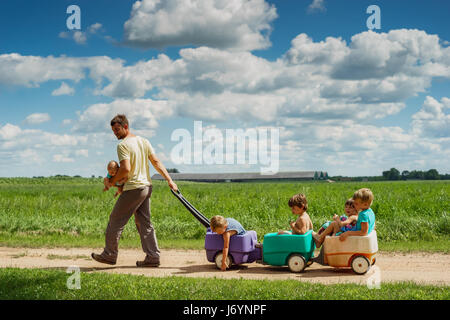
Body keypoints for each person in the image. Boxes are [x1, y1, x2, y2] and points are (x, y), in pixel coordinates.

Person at [91, 114, 178, 267]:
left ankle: (109, 254)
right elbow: (156, 162)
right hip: (146, 187)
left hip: (134, 188)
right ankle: (153, 257)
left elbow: (125, 169)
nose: (115, 133)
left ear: (126, 126)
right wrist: (169, 180)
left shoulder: (123, 145)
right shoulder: (144, 141)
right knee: (145, 223)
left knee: (115, 220)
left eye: (117, 129)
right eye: (113, 131)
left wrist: (112, 181)